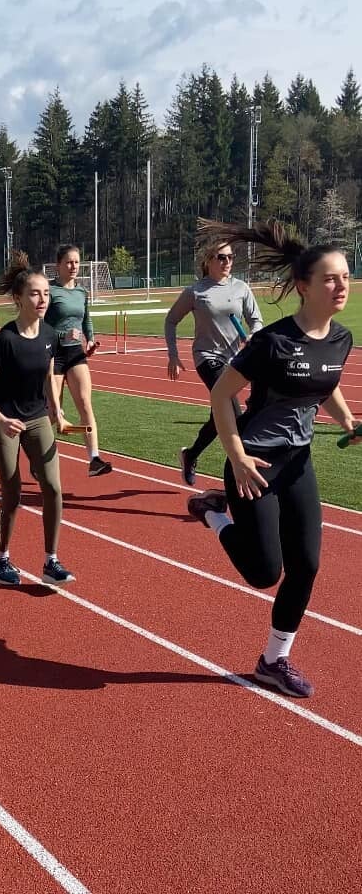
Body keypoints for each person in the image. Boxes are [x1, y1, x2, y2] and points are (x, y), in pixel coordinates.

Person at [187, 218, 359, 699]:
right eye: (330, 278)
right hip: (255, 462)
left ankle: (273, 660)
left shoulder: (341, 339)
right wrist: (236, 455)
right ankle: (213, 511)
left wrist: (347, 421)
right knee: (264, 573)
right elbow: (221, 395)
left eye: (346, 277)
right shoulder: (273, 342)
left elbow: (326, 383)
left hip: (298, 461)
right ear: (304, 286)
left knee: (306, 565)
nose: (341, 286)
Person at [0, 254, 76, 588]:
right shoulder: (6, 339)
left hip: (37, 418)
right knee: (12, 491)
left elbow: (48, 375)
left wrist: (56, 409)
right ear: (18, 298)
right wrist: (1, 420)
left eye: (45, 293)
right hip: (6, 421)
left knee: (53, 487)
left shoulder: (49, 334)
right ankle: (0, 558)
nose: (42, 299)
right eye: (34, 293)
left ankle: (51, 561)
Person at [165, 241, 263, 486]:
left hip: (236, 360)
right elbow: (171, 320)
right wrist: (173, 355)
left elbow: (256, 320)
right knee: (233, 414)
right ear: (208, 260)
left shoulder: (241, 288)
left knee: (218, 417)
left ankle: (191, 454)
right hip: (207, 357)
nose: (227, 261)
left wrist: (254, 334)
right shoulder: (195, 291)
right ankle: (238, 476)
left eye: (230, 256)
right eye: (221, 257)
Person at [44, 244, 112, 477]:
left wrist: (90, 340)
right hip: (53, 354)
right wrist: (62, 335)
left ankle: (94, 459)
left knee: (85, 405)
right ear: (58, 265)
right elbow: (40, 327)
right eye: (69, 262)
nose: (73, 266)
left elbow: (86, 320)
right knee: (53, 413)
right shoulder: (49, 291)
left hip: (75, 353)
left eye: (76, 262)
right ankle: (38, 455)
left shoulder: (82, 292)